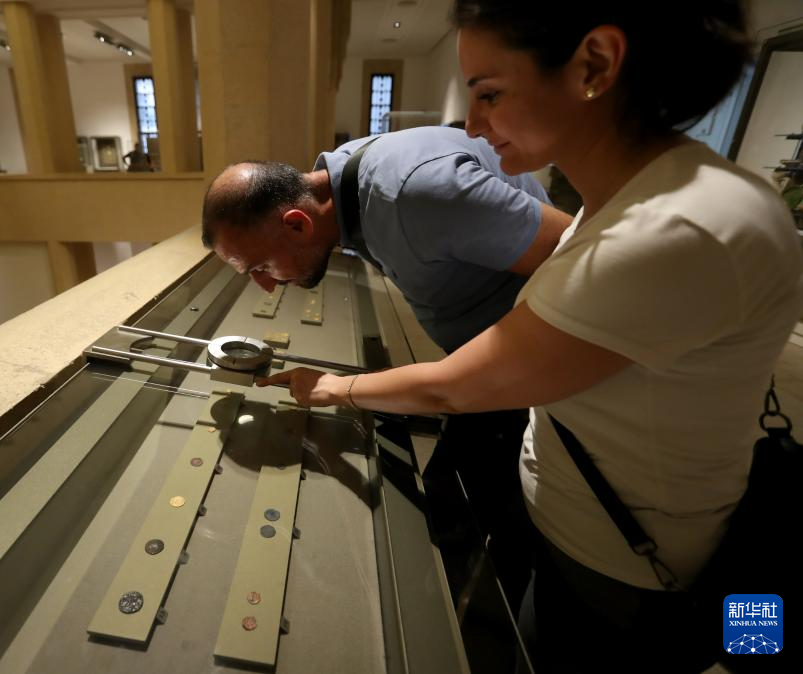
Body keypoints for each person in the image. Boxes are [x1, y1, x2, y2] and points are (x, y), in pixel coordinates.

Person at [260, 1, 802, 672]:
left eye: (489, 92)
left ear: (594, 66)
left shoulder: (673, 229)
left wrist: (333, 388)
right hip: (589, 528)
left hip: (624, 567)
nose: (471, 124)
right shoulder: (637, 199)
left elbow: (457, 388)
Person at [202, 126, 573, 604]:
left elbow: (582, 258)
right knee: (449, 498)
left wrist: (338, 388)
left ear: (296, 225)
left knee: (506, 540)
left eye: (260, 267)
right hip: (493, 368)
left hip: (545, 386)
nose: (267, 286)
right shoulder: (346, 180)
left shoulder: (412, 190)